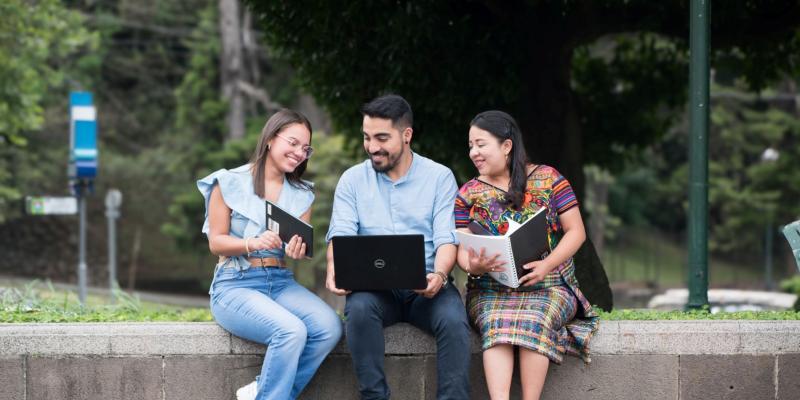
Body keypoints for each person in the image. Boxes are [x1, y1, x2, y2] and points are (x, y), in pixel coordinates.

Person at [325, 94, 471, 400]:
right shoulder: (352, 180)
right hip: (375, 290)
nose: (372, 147)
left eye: (381, 137)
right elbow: (340, 235)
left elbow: (447, 238)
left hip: (429, 287)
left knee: (454, 321)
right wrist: (334, 269)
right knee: (360, 309)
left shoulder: (439, 177)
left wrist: (440, 275)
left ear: (407, 136)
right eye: (366, 137)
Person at [197, 109, 342, 400]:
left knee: (330, 327)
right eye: (293, 142)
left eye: (306, 148)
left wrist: (296, 250)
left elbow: (294, 249)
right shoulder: (227, 182)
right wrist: (252, 242)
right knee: (291, 331)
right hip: (234, 283)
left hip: (279, 280)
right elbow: (216, 242)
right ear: (270, 140)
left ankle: (265, 390)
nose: (300, 153)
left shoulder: (302, 194)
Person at [454, 110, 599, 400]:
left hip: (549, 286)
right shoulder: (467, 194)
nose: (473, 152)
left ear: (506, 146)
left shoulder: (549, 178)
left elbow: (576, 232)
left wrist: (547, 265)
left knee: (536, 317)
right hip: (490, 290)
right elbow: (462, 252)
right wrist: (476, 265)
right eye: (471, 145)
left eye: (481, 144)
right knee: (495, 320)